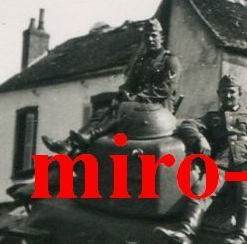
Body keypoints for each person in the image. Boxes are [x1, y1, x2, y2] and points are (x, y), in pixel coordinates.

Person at [155, 74, 247, 244]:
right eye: (224, 92)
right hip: (222, 165)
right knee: (200, 190)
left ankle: (241, 239)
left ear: (239, 93)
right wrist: (200, 139)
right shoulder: (212, 117)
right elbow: (187, 125)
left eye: (232, 92)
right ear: (219, 94)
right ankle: (185, 234)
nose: (228, 96)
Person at [43, 18, 182, 154]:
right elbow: (130, 83)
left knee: (121, 108)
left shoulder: (170, 61)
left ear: (161, 38)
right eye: (147, 36)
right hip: (138, 108)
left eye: (153, 35)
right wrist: (125, 93)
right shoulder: (141, 61)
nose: (150, 39)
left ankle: (91, 135)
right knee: (101, 111)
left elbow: (164, 89)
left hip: (158, 110)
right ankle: (69, 144)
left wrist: (136, 97)